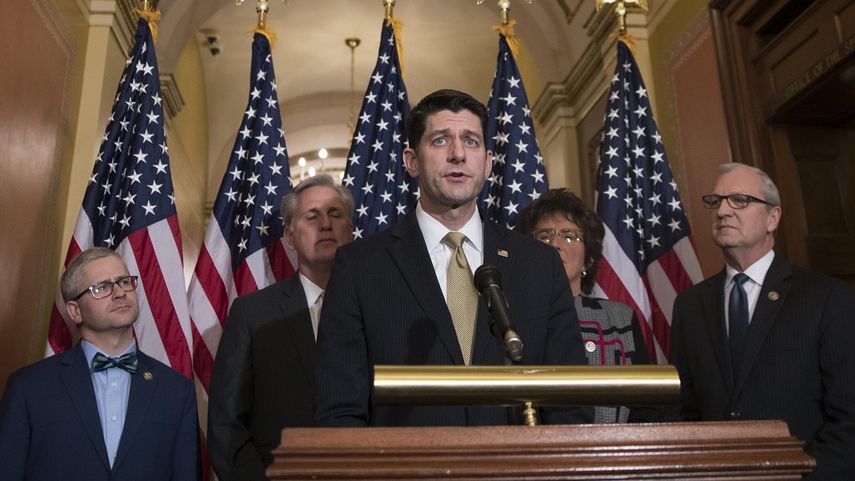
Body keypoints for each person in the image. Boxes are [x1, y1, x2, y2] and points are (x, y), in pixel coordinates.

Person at [314, 89, 590, 427]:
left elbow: (570, 405)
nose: (458, 154)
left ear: (488, 163)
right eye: (441, 140)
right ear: (411, 161)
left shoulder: (539, 264)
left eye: (471, 141)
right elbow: (341, 411)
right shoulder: (359, 267)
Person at [669, 162, 855, 480]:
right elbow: (684, 410)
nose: (723, 211)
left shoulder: (826, 297)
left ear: (772, 218)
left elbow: (849, 419)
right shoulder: (689, 305)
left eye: (739, 200)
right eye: (716, 201)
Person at [0, 247, 199, 481]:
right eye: (102, 288)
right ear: (75, 311)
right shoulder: (28, 387)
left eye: (124, 282)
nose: (119, 293)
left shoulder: (177, 389)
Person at [207, 174, 354, 481]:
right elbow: (226, 425)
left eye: (335, 214)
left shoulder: (382, 306)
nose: (325, 224)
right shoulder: (252, 314)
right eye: (312, 216)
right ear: (289, 236)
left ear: (350, 229)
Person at [519, 188, 653, 423]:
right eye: (544, 236)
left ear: (588, 259)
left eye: (569, 235)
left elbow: (645, 405)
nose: (555, 244)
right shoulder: (512, 316)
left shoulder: (620, 318)